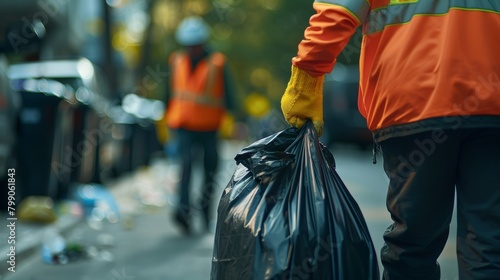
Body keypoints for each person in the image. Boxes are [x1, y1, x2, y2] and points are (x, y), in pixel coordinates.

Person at [281, 1, 500, 279]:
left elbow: (339, 11)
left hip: (414, 102)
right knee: (489, 243)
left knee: (413, 246)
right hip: (491, 102)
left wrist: (307, 76)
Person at [165, 16, 234, 234]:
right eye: (188, 45)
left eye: (195, 45)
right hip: (183, 125)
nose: (192, 49)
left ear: (203, 42)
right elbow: (168, 95)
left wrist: (235, 121)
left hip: (209, 128)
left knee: (209, 172)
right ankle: (183, 212)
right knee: (185, 168)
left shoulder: (218, 62)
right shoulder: (176, 61)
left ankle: (205, 215)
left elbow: (229, 96)